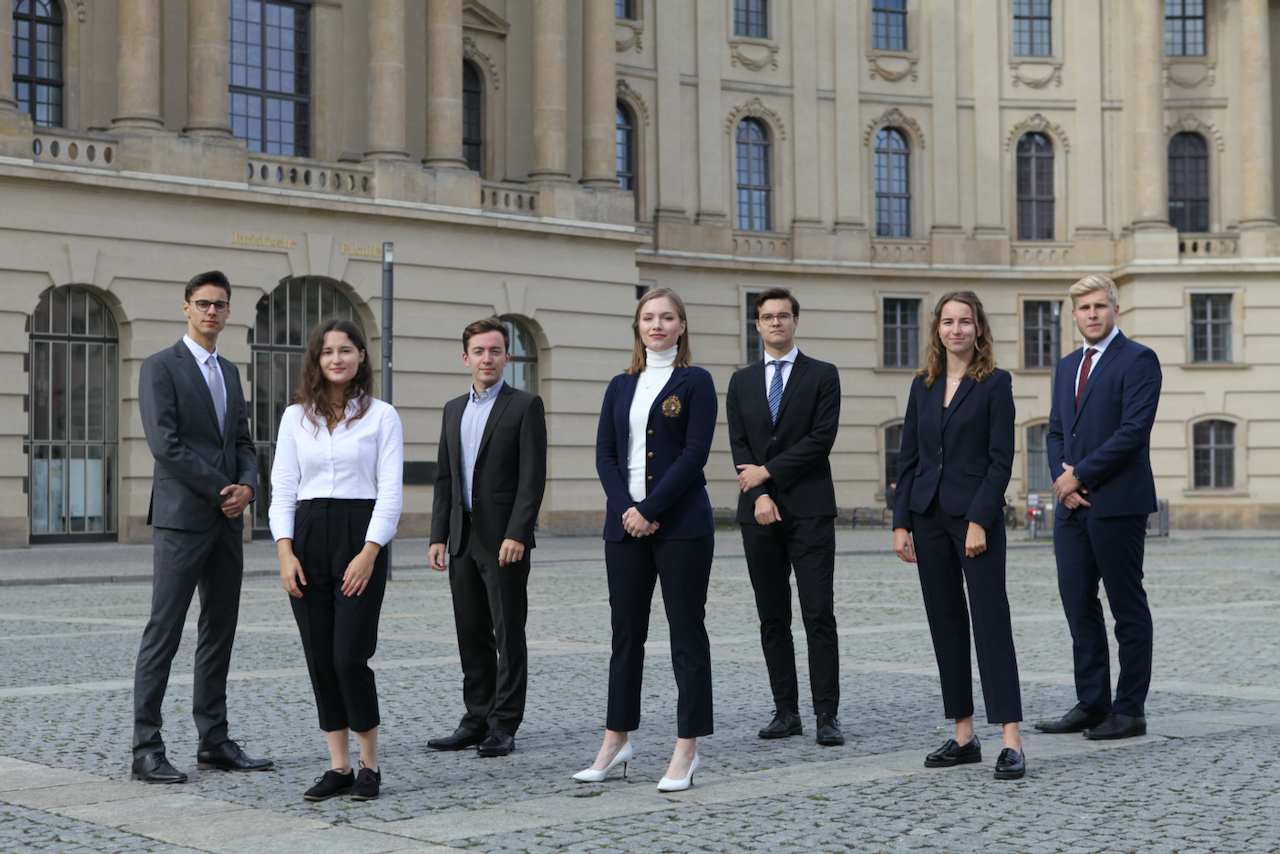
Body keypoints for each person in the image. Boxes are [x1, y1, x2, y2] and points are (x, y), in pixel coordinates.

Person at [575, 287, 717, 793]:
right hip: (625, 527)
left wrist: (651, 510)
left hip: (682, 528)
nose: (657, 325)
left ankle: (687, 748)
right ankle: (616, 741)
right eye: (648, 317)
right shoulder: (620, 384)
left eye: (667, 318)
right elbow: (605, 456)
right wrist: (628, 511)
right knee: (625, 636)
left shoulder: (696, 381)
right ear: (637, 326)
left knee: (686, 636)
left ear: (682, 326)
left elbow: (694, 453)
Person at [132, 270, 272, 783]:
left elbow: (242, 441)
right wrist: (225, 491)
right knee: (163, 633)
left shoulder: (231, 372)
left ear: (228, 312)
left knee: (219, 632)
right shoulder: (159, 368)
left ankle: (213, 741)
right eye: (203, 303)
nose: (212, 311)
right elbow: (165, 446)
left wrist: (250, 488)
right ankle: (145, 748)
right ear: (186, 307)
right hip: (182, 523)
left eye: (220, 305)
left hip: (227, 525)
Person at [892, 291, 1025, 780]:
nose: (956, 330)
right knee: (946, 624)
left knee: (991, 624)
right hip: (926, 518)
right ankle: (964, 734)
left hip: (975, 520)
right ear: (938, 330)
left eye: (965, 322)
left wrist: (978, 519)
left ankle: (1010, 739)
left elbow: (1000, 460)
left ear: (979, 328)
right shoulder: (922, 385)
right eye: (948, 322)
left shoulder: (995, 383)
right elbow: (908, 459)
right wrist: (901, 521)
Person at [270, 318, 403, 802]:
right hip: (306, 537)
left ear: (361, 357)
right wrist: (285, 552)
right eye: (328, 352)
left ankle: (370, 765)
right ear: (317, 359)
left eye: (346, 350)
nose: (337, 359)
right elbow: (282, 487)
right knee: (320, 658)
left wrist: (369, 553)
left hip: (360, 535)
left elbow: (389, 493)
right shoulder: (294, 417)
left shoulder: (383, 416)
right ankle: (339, 767)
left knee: (350, 656)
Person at [1037, 275, 1162, 741]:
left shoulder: (1139, 359)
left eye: (1100, 306)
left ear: (1115, 309)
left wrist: (1080, 474)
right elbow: (1054, 432)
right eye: (1084, 308)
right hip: (1071, 507)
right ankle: (1092, 703)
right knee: (1078, 605)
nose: (1092, 314)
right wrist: (1061, 482)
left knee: (1126, 606)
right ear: (1073, 315)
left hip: (1117, 503)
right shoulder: (1067, 364)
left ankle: (1129, 710)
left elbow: (1133, 432)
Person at [725, 287, 844, 747]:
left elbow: (820, 440)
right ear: (757, 325)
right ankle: (786, 712)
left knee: (818, 615)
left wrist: (768, 474)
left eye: (783, 316)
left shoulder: (823, 375)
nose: (776, 323)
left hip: (810, 510)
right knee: (772, 617)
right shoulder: (741, 381)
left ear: (796, 321)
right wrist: (759, 494)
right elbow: (739, 446)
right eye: (767, 317)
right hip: (758, 514)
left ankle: (826, 715)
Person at [427, 318, 548, 758]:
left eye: (495, 351)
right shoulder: (453, 408)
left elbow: (533, 479)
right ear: (466, 358)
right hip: (462, 536)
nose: (487, 358)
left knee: (507, 631)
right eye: (479, 351)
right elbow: (446, 479)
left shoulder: (524, 405)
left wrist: (519, 532)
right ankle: (475, 718)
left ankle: (504, 723)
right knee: (470, 632)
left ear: (507, 357)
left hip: (504, 541)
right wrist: (438, 534)